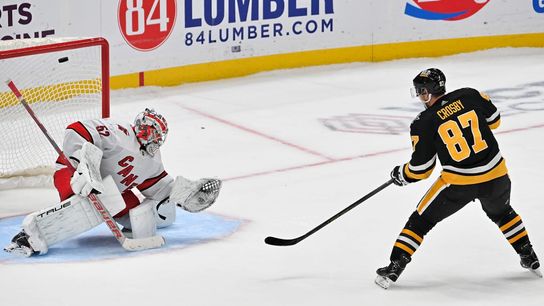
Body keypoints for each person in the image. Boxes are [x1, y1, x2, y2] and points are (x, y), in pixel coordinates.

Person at [375, 68, 541, 289]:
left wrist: (401, 174)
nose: (420, 97)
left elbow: (421, 169)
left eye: (422, 92)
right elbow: (495, 121)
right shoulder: (470, 94)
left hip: (459, 184)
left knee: (420, 221)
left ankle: (395, 267)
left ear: (429, 92)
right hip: (497, 176)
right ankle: (528, 255)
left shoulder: (423, 122)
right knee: (503, 213)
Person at [4, 108, 221, 257]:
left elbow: (159, 188)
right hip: (72, 172)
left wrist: (184, 195)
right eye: (150, 130)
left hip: (111, 190)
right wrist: (84, 167)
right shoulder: (119, 132)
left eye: (158, 135)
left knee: (141, 218)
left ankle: (98, 199)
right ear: (140, 125)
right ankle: (30, 237)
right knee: (85, 207)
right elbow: (76, 130)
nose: (152, 137)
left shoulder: (152, 160)